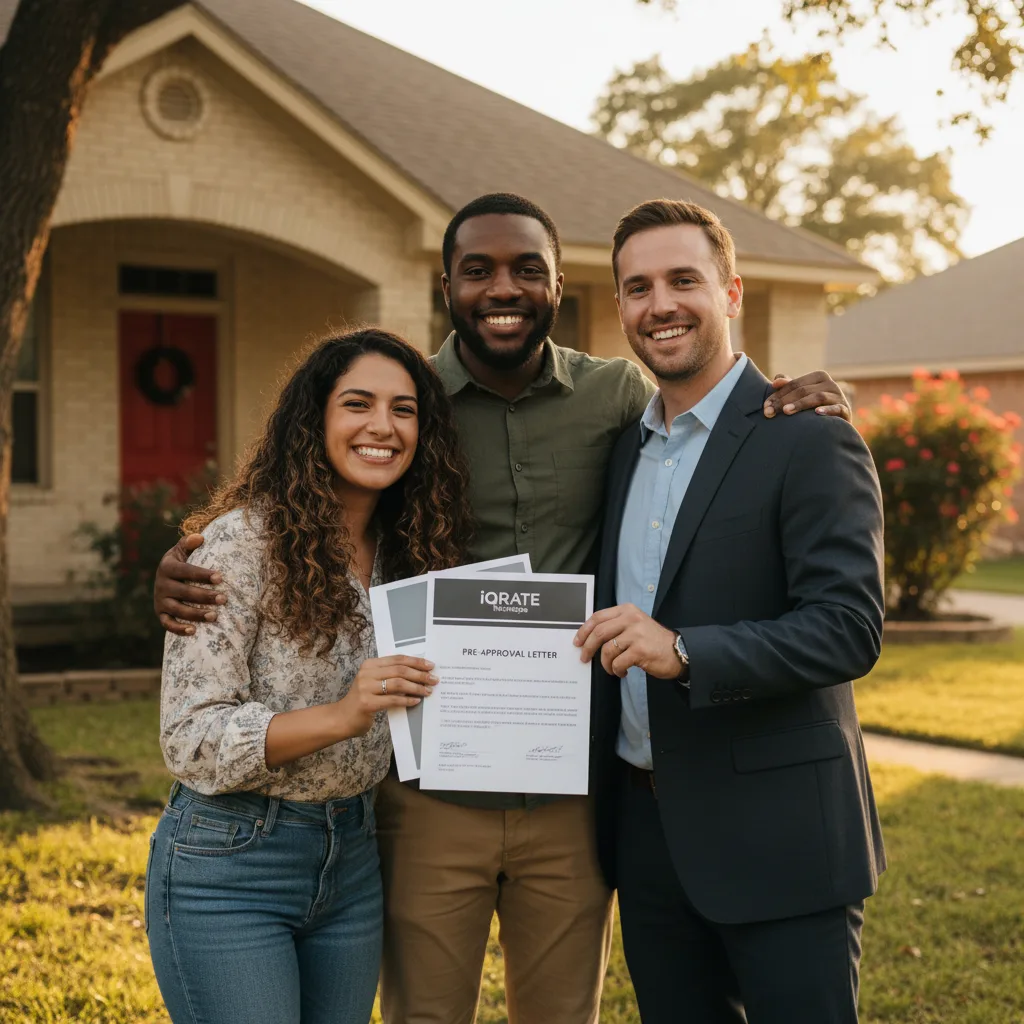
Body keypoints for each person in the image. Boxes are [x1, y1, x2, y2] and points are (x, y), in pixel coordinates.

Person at [152, 193, 854, 1024]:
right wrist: (188, 557)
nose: (503, 288)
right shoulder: (407, 404)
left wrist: (785, 397)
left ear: (560, 284)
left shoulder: (616, 397)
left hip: (570, 790)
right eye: (477, 270)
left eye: (528, 269)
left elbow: (708, 428)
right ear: (445, 287)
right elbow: (306, 498)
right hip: (429, 789)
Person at [576, 198, 886, 1023]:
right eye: (638, 288)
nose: (661, 304)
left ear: (732, 291)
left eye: (684, 279)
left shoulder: (808, 435)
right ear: (621, 310)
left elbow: (848, 627)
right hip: (645, 834)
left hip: (780, 837)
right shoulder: (621, 450)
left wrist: (684, 652)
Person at [146, 328, 473, 1024]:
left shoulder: (411, 553)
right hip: (232, 861)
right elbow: (189, 738)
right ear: (314, 418)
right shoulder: (238, 544)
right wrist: (344, 714)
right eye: (358, 403)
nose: (382, 426)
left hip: (353, 858)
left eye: (404, 409)